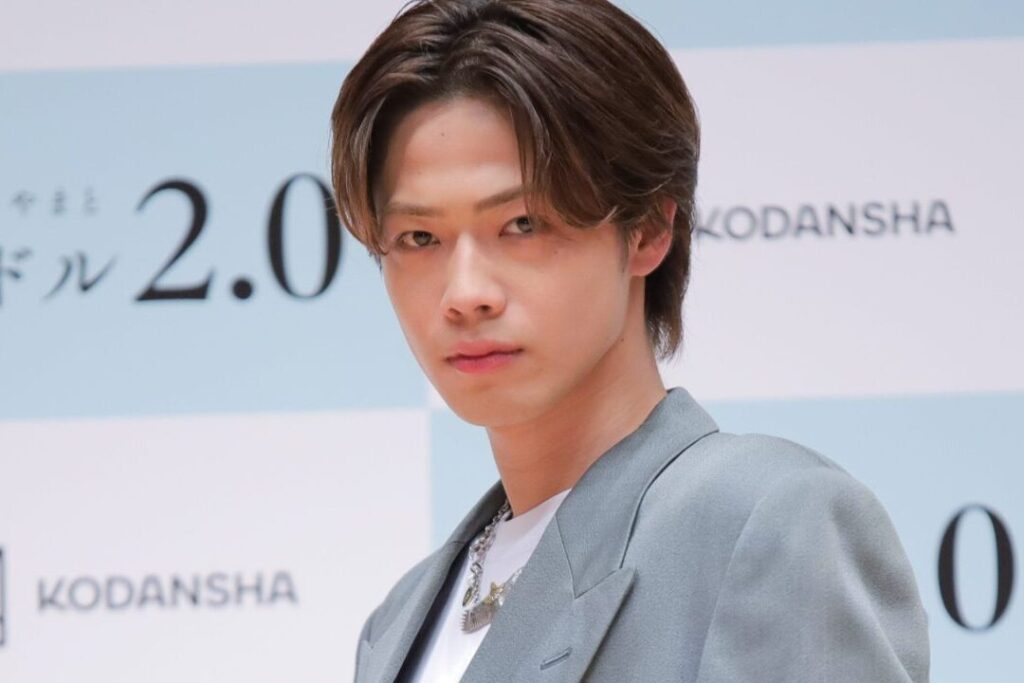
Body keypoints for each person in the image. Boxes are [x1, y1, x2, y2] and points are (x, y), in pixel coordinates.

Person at [329, 0, 930, 681]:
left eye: (522, 224)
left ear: (647, 229)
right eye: (419, 237)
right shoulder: (399, 621)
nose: (465, 292)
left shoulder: (766, 523)